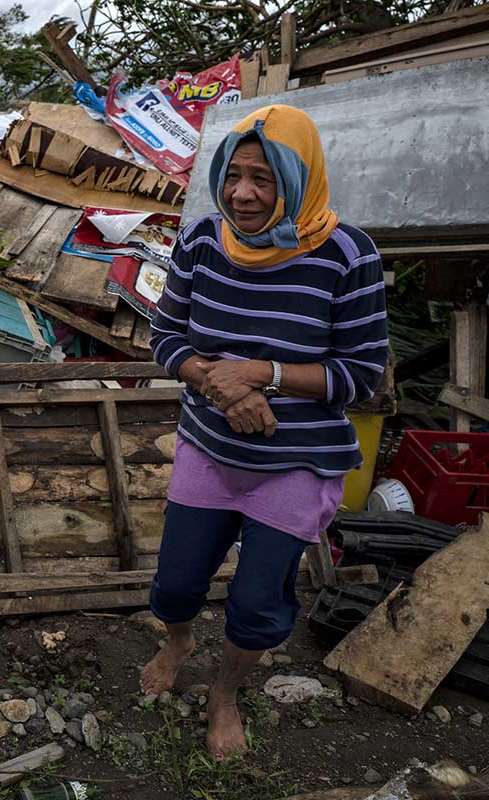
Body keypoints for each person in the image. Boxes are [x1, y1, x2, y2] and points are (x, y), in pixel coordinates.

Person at [142, 105, 388, 760]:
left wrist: (264, 373)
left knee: (256, 604)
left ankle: (226, 693)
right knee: (174, 585)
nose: (242, 194)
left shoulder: (347, 255)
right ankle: (178, 639)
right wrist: (213, 379)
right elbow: (164, 337)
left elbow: (363, 375)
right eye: (234, 175)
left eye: (264, 179)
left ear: (299, 181)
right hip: (211, 444)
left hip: (297, 459)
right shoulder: (200, 241)